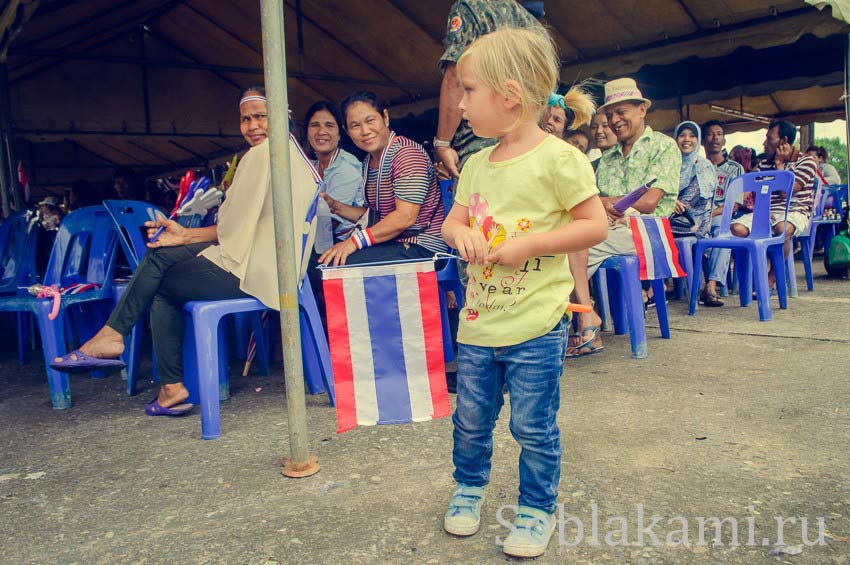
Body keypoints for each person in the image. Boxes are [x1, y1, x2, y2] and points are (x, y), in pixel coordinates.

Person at [50, 86, 319, 418]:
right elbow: (240, 228)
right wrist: (186, 236)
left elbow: (231, 230)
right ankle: (119, 342)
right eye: (245, 119)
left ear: (279, 117)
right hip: (278, 265)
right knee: (162, 257)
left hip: (260, 271)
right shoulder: (291, 152)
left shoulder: (261, 155)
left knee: (161, 284)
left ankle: (157, 375)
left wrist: (187, 236)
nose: (252, 126)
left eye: (261, 117)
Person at [440, 28, 607, 558]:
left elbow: (595, 225)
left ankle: (536, 507)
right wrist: (461, 234)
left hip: (536, 324)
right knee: (469, 419)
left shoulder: (560, 159)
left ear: (509, 95)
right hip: (478, 322)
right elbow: (452, 223)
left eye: (468, 90)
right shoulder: (474, 164)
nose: (460, 103)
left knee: (532, 425)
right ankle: (468, 487)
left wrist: (531, 244)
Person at [565, 78, 680, 357]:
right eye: (610, 114)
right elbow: (594, 201)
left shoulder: (663, 146)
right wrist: (609, 204)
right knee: (565, 241)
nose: (615, 120)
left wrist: (607, 204)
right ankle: (583, 317)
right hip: (612, 229)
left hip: (649, 233)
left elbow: (650, 202)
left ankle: (583, 321)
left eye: (622, 112)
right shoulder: (608, 158)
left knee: (575, 244)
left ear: (642, 109)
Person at [318, 91, 448, 267]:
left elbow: (405, 217)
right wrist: (335, 206)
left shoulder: (406, 154)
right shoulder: (369, 162)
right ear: (347, 132)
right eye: (355, 125)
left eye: (370, 121)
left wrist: (354, 242)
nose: (365, 131)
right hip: (394, 244)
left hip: (424, 247)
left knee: (340, 264)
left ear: (385, 118)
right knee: (324, 259)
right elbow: (375, 217)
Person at [433, 0, 546, 179]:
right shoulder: (536, 27)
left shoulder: (471, 6)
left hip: (479, 146)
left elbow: (454, 78)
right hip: (531, 146)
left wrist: (442, 143)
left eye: (469, 90)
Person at [731, 120, 817, 289]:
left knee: (781, 229)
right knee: (736, 229)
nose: (764, 144)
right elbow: (756, 191)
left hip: (795, 212)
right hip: (768, 212)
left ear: (784, 141)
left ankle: (771, 278)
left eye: (769, 139)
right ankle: (752, 277)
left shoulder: (807, 162)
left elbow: (786, 192)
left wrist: (779, 164)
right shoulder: (764, 163)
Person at [303, 101, 363, 244]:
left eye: (329, 125)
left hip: (347, 242)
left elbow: (329, 225)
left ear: (340, 134)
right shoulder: (311, 166)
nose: (321, 131)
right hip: (317, 239)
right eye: (314, 125)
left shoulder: (346, 167)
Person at [699, 121, 744, 306]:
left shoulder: (735, 169)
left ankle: (710, 286)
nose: (715, 137)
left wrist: (711, 213)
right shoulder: (697, 166)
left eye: (719, 134)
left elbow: (734, 205)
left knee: (721, 232)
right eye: (710, 134)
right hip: (697, 217)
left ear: (724, 140)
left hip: (721, 215)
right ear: (703, 141)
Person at [670, 121, 715, 239]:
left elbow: (687, 203)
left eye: (692, 136)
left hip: (692, 224)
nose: (686, 139)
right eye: (682, 135)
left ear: (698, 140)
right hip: (670, 219)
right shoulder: (670, 165)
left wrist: (667, 201)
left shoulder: (703, 166)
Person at [34, 196, 65, 278]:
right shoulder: (46, 217)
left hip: (52, 240)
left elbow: (46, 227)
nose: (42, 208)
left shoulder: (55, 217)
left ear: (48, 206)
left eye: (44, 206)